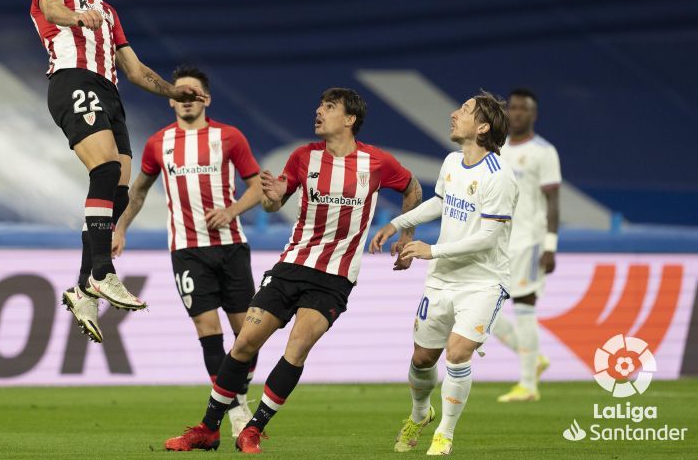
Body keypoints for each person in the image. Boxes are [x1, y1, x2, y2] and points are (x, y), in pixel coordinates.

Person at [164, 88, 422, 453]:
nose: (319, 111)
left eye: (329, 107)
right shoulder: (303, 157)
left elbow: (413, 188)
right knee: (244, 343)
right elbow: (274, 204)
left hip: (334, 277)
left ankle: (253, 429)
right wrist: (271, 197)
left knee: (297, 347)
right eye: (319, 105)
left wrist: (406, 235)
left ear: (350, 119)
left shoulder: (376, 162)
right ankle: (208, 429)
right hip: (292, 265)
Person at [29, 0, 207, 343]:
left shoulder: (108, 11)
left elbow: (135, 70)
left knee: (119, 193)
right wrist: (76, 17)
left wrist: (174, 91)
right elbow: (52, 10)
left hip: (109, 93)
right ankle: (101, 272)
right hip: (73, 79)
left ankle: (82, 289)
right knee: (106, 168)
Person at [112, 65, 263, 436]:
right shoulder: (158, 143)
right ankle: (237, 410)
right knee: (206, 329)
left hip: (230, 246)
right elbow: (139, 190)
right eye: (179, 93)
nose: (186, 99)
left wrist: (232, 211)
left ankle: (239, 392)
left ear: (205, 99)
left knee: (248, 336)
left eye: (193, 93)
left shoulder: (229, 137)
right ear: (170, 100)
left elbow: (257, 187)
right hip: (187, 251)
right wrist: (120, 228)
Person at [370, 91, 518, 456]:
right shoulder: (452, 162)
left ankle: (444, 434)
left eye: (465, 110)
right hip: (441, 280)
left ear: (482, 127)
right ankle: (420, 413)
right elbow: (440, 202)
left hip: (483, 282)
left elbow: (487, 238)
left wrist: (431, 250)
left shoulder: (499, 177)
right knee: (422, 359)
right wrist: (397, 223)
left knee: (457, 353)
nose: (454, 114)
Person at [490, 88, 561, 402]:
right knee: (484, 312)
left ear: (534, 114)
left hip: (529, 241)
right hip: (497, 242)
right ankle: (534, 358)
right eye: (513, 107)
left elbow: (553, 201)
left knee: (524, 307)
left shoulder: (544, 152)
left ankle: (528, 385)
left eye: (524, 108)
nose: (517, 113)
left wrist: (550, 245)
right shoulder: (496, 149)